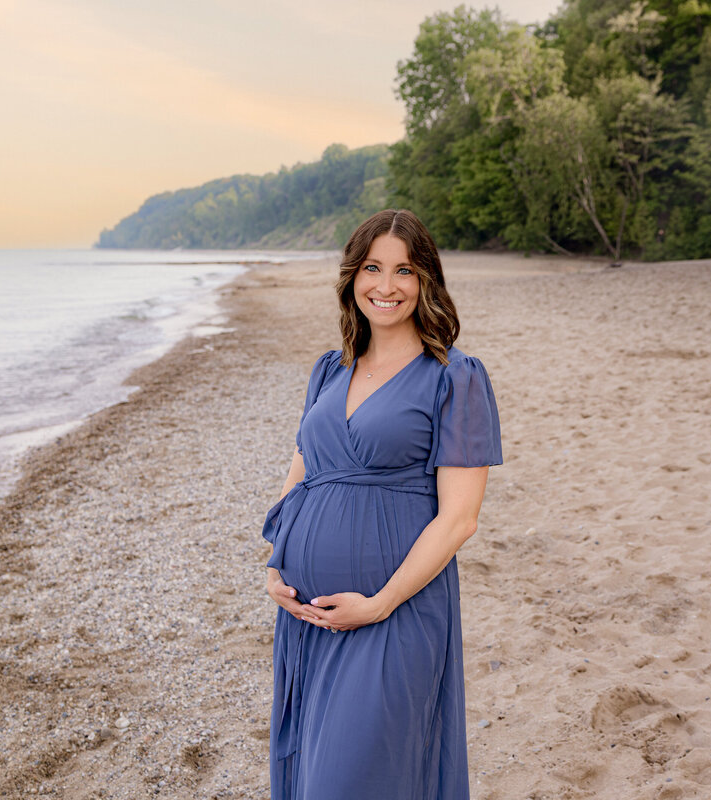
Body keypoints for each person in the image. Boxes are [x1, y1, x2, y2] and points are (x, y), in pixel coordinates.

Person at [261, 209, 502, 799]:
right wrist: (275, 562)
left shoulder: (455, 377)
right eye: (373, 268)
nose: (386, 286)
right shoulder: (329, 368)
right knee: (315, 770)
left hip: (395, 610)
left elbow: (459, 519)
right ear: (353, 277)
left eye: (404, 271)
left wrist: (378, 604)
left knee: (357, 779)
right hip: (309, 616)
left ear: (426, 282)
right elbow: (304, 464)